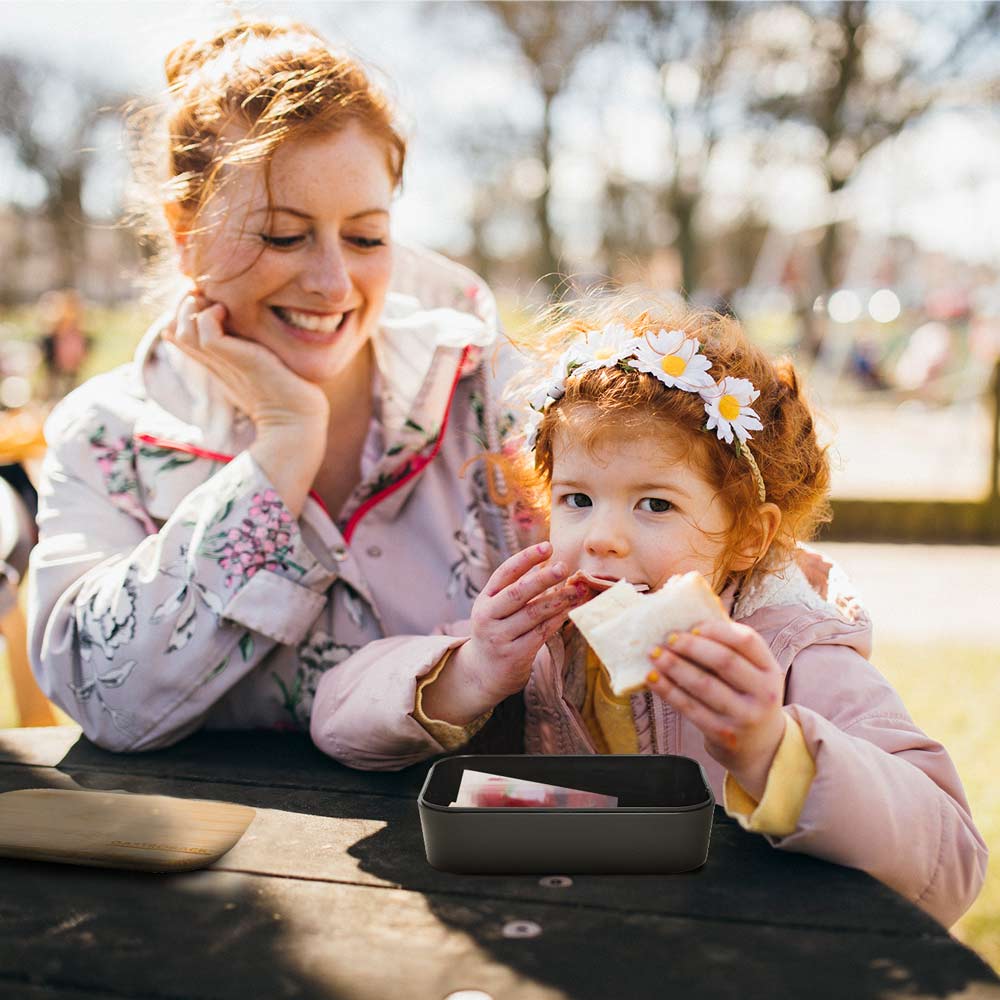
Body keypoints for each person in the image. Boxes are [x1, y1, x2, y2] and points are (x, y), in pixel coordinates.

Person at [311, 300, 987, 928]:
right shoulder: (542, 642)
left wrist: (772, 749)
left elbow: (952, 865)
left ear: (749, 536)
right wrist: (474, 672)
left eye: (654, 504)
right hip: (556, 934)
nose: (602, 537)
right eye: (577, 499)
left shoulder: (794, 656)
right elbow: (336, 715)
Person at [28, 18, 566, 751]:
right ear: (186, 237)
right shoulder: (106, 433)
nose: (332, 283)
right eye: (283, 235)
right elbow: (105, 698)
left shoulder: (492, 393)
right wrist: (282, 449)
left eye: (367, 237)